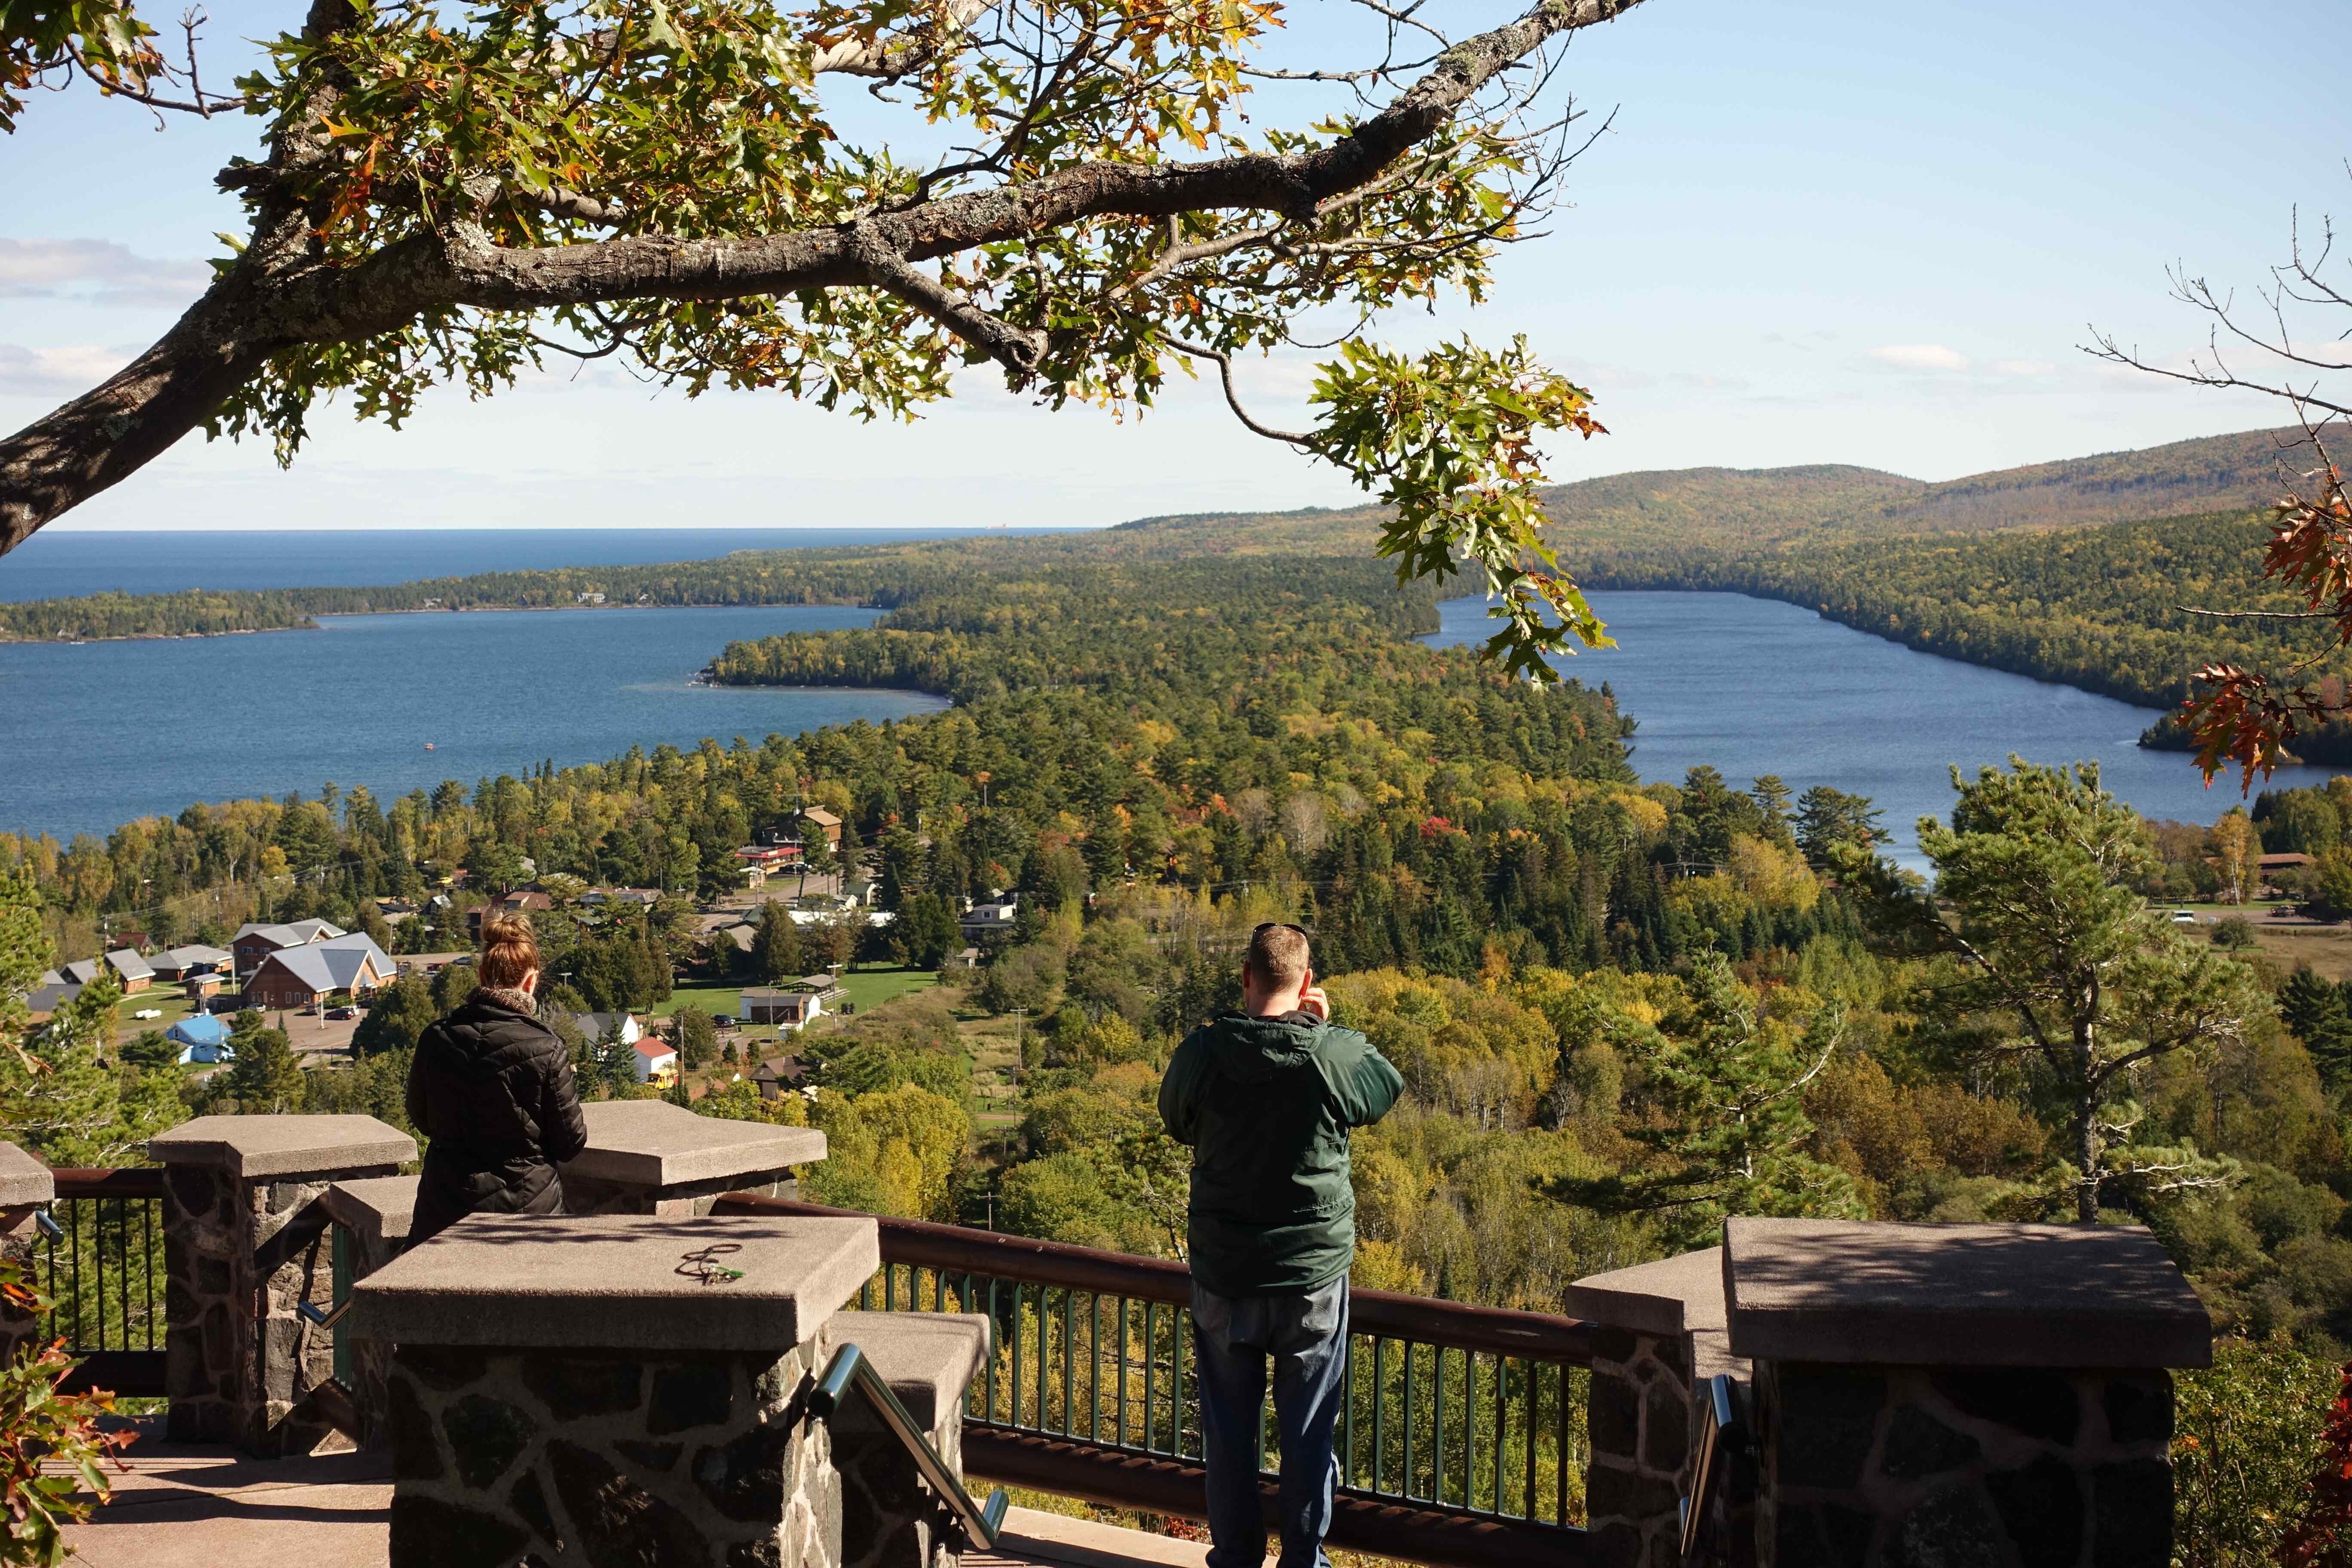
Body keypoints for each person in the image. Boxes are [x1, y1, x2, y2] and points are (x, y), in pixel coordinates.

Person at [1157, 922, 1403, 1568]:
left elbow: (1175, 1119)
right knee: (1308, 1429)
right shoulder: (1329, 1055)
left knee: (1229, 1432)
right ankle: (1303, 1559)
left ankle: (1235, 1557)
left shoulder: (1204, 1054)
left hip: (1224, 1276)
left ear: (1245, 978)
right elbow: (1385, 1085)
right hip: (1310, 1279)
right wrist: (1323, 1027)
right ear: (1306, 984)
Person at [404, 912, 588, 1244]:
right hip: (528, 1211)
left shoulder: (436, 1038)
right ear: (532, 982)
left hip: (444, 1207)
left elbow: (421, 1117)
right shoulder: (546, 1048)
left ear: (481, 976)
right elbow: (570, 1142)